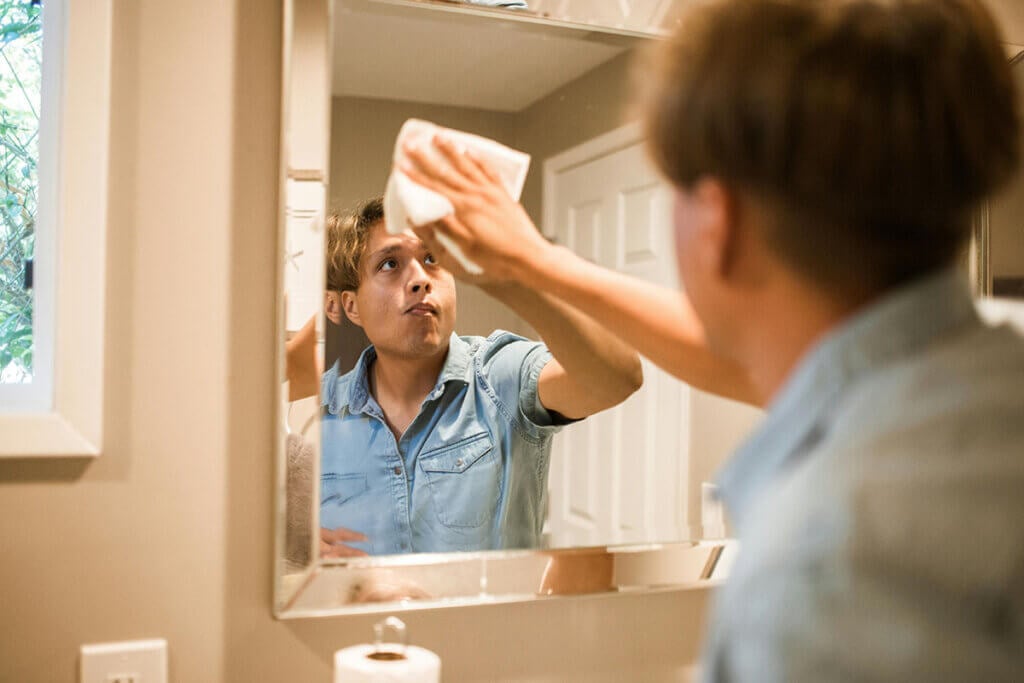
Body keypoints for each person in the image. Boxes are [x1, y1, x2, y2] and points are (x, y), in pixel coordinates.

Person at [400, 0, 1024, 678]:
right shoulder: (990, 364)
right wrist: (535, 262)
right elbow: (769, 363)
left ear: (716, 224)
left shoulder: (819, 572)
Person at [318, 197, 643, 557]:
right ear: (351, 306)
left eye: (432, 259)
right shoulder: (322, 412)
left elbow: (619, 377)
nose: (420, 279)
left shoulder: (501, 378)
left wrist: (512, 276)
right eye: (390, 264)